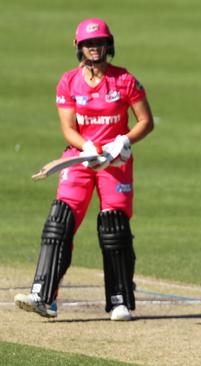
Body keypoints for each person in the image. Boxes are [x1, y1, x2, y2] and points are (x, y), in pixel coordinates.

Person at [14, 18, 154, 321]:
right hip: (80, 160)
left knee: (113, 226)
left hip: (114, 163)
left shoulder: (125, 80)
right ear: (79, 47)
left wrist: (123, 141)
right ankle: (44, 296)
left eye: (99, 43)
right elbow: (68, 128)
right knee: (59, 221)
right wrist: (87, 147)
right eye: (89, 44)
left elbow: (146, 122)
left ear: (109, 44)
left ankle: (120, 300)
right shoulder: (68, 81)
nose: (94, 48)